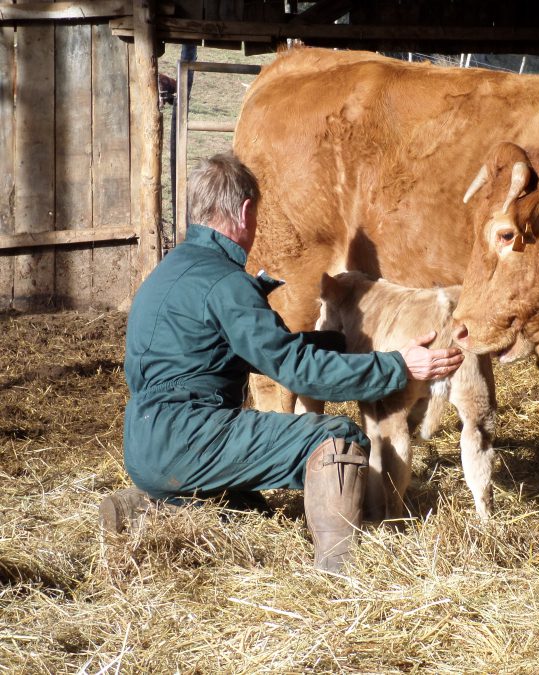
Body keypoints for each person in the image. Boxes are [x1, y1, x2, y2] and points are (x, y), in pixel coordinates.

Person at [99, 152, 463, 572]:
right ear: (245, 211)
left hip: (143, 446)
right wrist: (398, 366)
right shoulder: (227, 284)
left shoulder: (167, 274)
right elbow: (296, 369)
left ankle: (139, 507)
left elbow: (269, 349)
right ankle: (338, 569)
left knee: (252, 513)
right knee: (336, 439)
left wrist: (345, 344)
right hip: (191, 439)